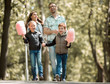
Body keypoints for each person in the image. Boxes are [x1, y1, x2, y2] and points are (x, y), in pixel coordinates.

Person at [43, 2, 66, 81]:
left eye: (54, 6)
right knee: (53, 60)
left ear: (56, 7)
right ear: (49, 9)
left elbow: (65, 30)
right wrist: (53, 31)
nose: (52, 7)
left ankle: (59, 75)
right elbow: (45, 31)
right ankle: (55, 76)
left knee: (60, 59)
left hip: (60, 42)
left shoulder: (62, 18)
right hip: (51, 42)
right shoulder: (47, 19)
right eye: (50, 7)